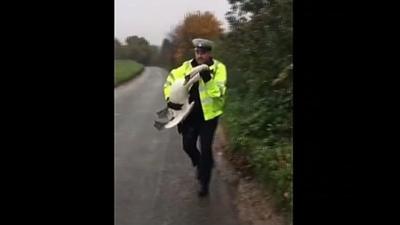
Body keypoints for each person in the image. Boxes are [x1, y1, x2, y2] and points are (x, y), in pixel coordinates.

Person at [163, 38, 227, 197]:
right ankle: (200, 164)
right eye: (198, 52)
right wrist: (170, 100)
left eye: (203, 52)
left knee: (206, 150)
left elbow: (218, 93)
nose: (200, 55)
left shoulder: (218, 68)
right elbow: (169, 83)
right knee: (188, 146)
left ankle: (204, 184)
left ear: (209, 53)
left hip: (208, 117)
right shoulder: (185, 67)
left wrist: (208, 79)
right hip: (189, 116)